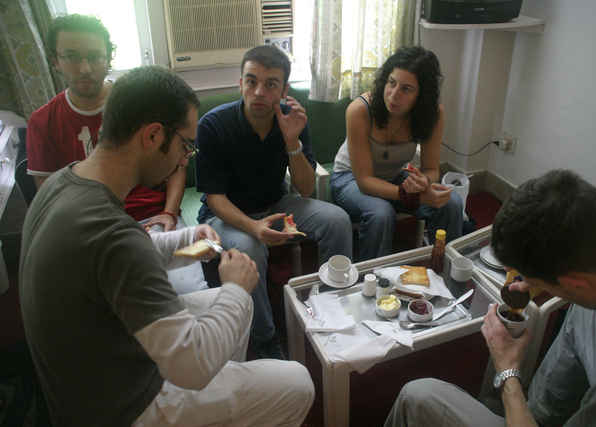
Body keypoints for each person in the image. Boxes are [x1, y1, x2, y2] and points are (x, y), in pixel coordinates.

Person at [19, 65, 314, 427]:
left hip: (95, 363)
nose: (185, 159)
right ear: (153, 135)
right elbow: (192, 367)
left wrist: (189, 237)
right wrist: (236, 288)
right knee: (297, 382)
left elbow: (128, 253)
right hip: (125, 407)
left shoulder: (65, 183)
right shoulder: (110, 234)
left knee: (225, 309)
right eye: (185, 145)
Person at [384, 169, 596, 426]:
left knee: (416, 396)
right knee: (587, 311)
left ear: (577, 284)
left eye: (533, 281)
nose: (525, 286)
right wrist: (541, 281)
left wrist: (508, 371)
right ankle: (537, 415)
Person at [26, 14, 206, 294]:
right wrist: (237, 288)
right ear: (55, 61)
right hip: (108, 229)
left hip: (151, 220)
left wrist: (171, 215)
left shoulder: (138, 102)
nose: (85, 68)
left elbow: (176, 168)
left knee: (190, 289)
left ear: (108, 57)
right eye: (72, 56)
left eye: (95, 57)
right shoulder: (44, 124)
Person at [196, 45, 353, 359]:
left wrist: (292, 140)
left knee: (337, 220)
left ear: (283, 90)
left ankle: (332, 306)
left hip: (276, 203)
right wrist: (253, 227)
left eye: (270, 84)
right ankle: (265, 340)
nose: (258, 92)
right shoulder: (213, 125)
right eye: (251, 81)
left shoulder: (292, 120)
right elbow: (215, 198)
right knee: (249, 247)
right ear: (240, 83)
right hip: (225, 215)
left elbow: (305, 189)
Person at [330, 46, 463, 261]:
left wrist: (423, 182)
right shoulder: (360, 110)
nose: (393, 95)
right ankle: (371, 276)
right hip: (349, 178)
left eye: (406, 89)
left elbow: (431, 169)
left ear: (422, 95)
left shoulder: (433, 114)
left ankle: (446, 268)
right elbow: (365, 181)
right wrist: (413, 195)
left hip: (394, 177)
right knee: (381, 213)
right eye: (391, 83)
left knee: (452, 202)